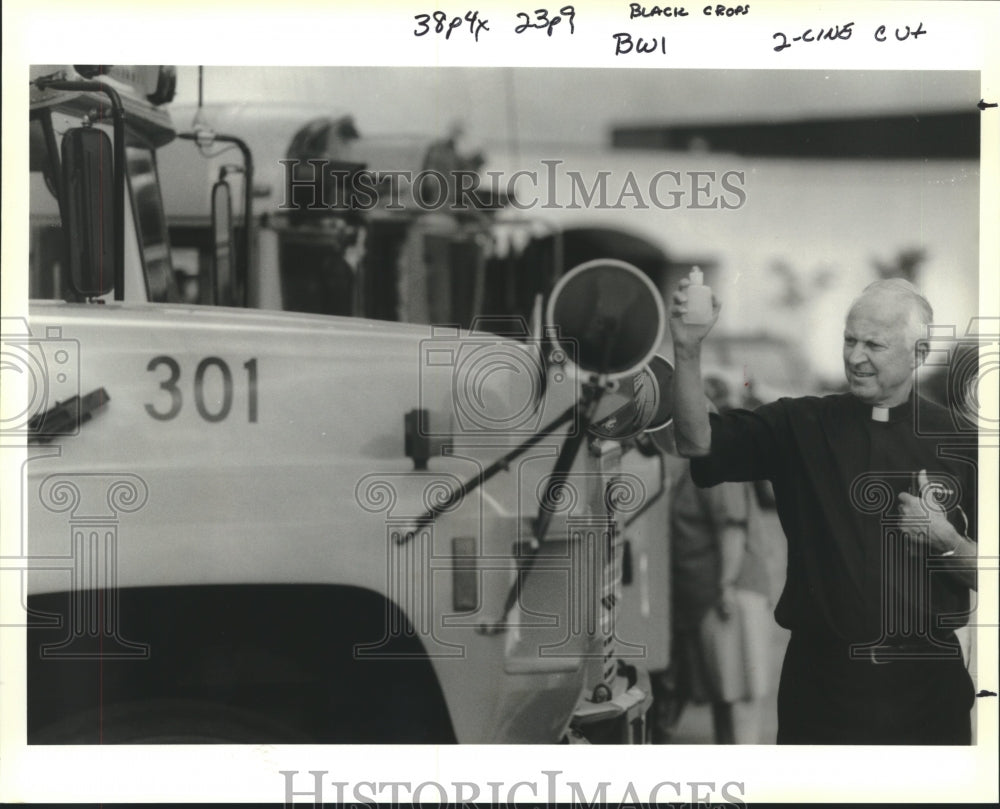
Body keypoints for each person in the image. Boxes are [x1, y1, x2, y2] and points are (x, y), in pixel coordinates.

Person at [667, 277, 978, 744]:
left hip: (927, 694)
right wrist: (687, 350)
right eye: (849, 340)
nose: (855, 356)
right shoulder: (800, 423)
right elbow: (696, 441)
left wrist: (946, 541)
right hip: (823, 692)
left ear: (918, 354)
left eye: (873, 344)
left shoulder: (963, 441)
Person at [654, 374, 773, 744]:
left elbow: (731, 528)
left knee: (737, 702)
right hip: (713, 595)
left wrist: (724, 587)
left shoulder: (715, 463)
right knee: (726, 700)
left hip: (728, 593)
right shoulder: (692, 467)